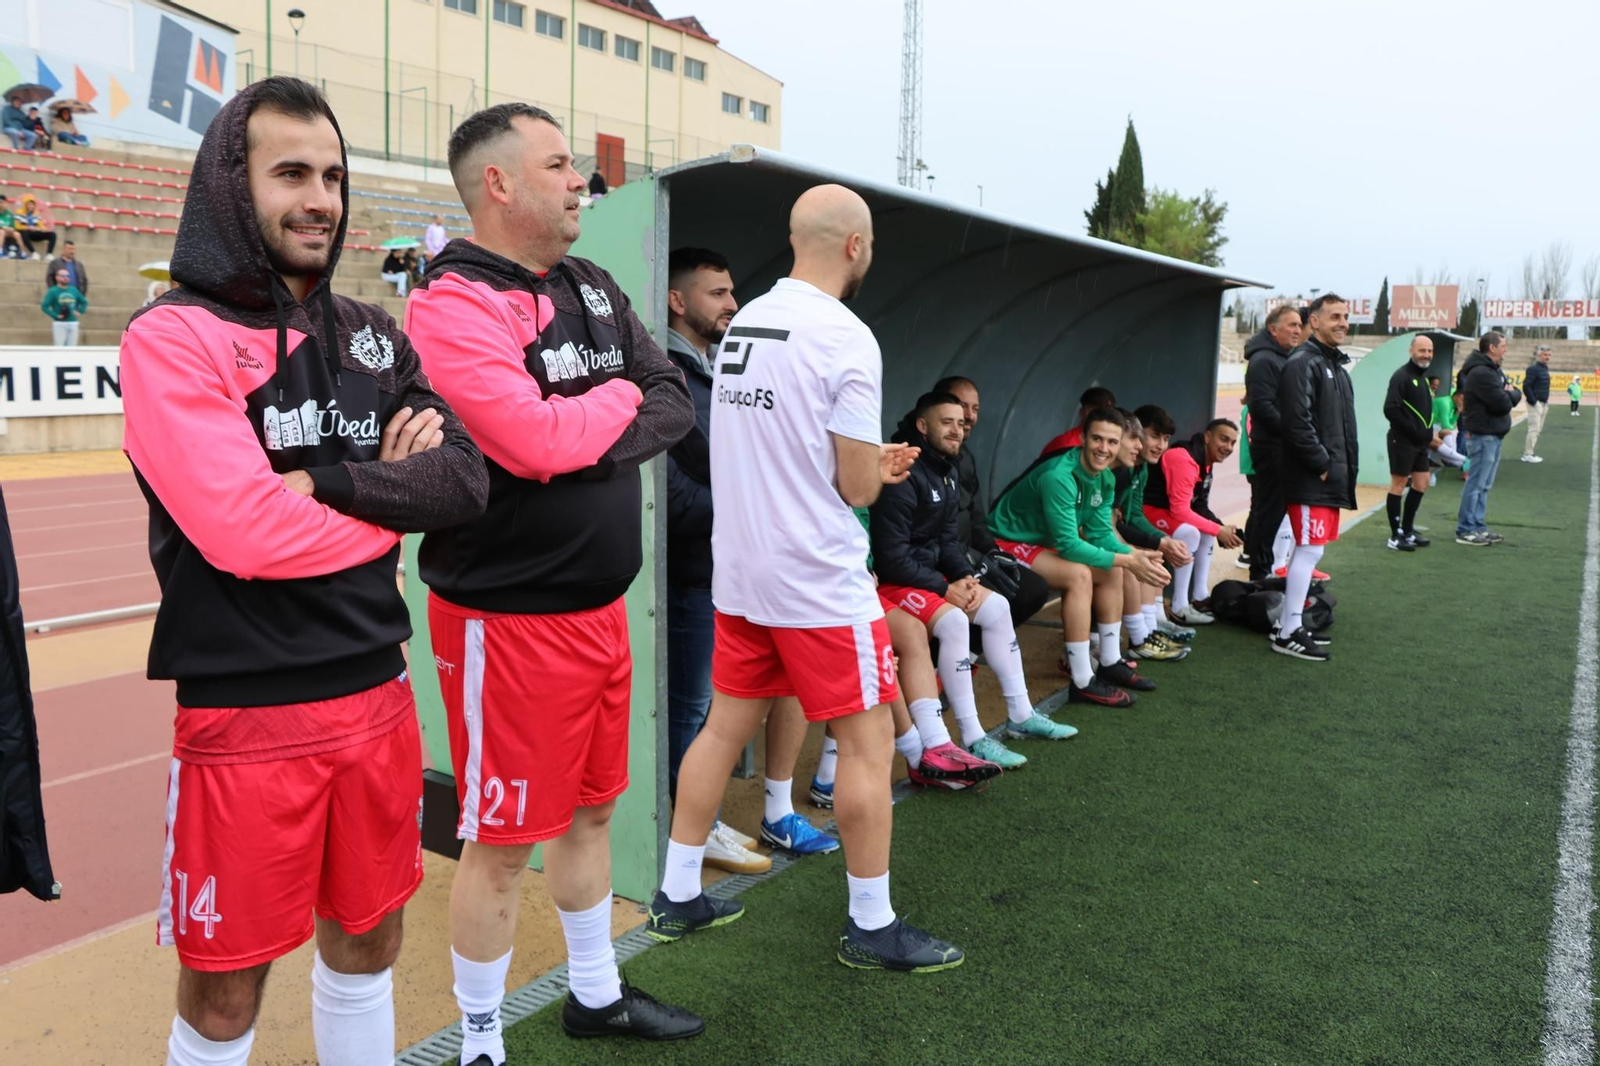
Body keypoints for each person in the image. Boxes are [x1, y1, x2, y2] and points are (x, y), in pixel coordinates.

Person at [120, 77, 489, 1066]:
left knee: (371, 943)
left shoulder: (370, 332)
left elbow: (462, 480)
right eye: (291, 173)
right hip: (246, 711)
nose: (319, 197)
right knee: (226, 989)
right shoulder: (172, 337)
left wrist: (322, 487)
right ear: (230, 187)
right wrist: (387, 509)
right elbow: (244, 533)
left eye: (331, 175)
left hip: (377, 692)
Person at [406, 102, 699, 1056]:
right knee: (500, 843)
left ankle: (595, 994)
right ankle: (481, 1040)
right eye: (560, 165)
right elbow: (530, 444)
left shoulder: (594, 284)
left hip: (600, 610)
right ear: (498, 183)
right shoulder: (451, 302)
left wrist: (580, 429)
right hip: (506, 622)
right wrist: (609, 405)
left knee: (592, 812)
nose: (581, 182)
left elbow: (673, 399)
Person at [646, 182, 966, 975]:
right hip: (818, 579)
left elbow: (778, 443)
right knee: (867, 742)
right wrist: (874, 469)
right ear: (856, 246)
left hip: (742, 569)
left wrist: (860, 461)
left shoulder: (747, 321)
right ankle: (871, 923)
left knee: (723, 726)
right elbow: (854, 487)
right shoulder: (847, 336)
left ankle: (677, 893)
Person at [873, 391, 1076, 772]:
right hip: (893, 582)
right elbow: (891, 559)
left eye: (961, 423)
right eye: (946, 422)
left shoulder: (947, 470)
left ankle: (1021, 715)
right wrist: (944, 587)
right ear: (923, 426)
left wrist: (964, 577)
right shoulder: (904, 474)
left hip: (927, 576)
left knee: (996, 606)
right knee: (954, 621)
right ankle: (973, 738)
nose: (957, 429)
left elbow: (948, 541)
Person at [661, 246, 773, 873]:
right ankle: (691, 830)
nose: (733, 304)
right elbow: (674, 497)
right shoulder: (668, 376)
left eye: (732, 291)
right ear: (677, 300)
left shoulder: (711, 367)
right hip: (691, 572)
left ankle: (700, 821)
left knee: (707, 706)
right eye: (718, 293)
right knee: (690, 707)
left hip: (720, 569)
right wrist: (749, 503)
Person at [989, 406, 1169, 706]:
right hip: (1005, 541)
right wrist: (1130, 559)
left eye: (1112, 442)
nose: (1104, 448)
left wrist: (1136, 555)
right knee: (1079, 575)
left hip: (1042, 544)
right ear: (1083, 438)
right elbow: (1070, 546)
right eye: (1097, 439)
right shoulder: (1059, 476)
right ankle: (1083, 680)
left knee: (1111, 569)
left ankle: (1109, 661)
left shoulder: (1106, 478)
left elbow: (1100, 534)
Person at [932, 374, 1053, 630]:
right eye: (961, 406)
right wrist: (967, 562)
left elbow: (975, 517)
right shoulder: (914, 457)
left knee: (1030, 589)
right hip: (938, 560)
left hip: (964, 553)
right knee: (993, 603)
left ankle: (971, 649)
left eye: (975, 409)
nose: (969, 416)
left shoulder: (964, 456)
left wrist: (991, 551)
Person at [1274, 293, 1356, 661]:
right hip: (1311, 476)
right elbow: (1297, 422)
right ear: (1315, 321)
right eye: (1334, 316)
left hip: (1325, 476)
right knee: (1308, 550)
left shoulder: (1334, 366)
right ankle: (1288, 632)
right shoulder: (1303, 362)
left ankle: (1290, 624)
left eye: (1345, 317)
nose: (1343, 323)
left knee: (1309, 549)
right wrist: (1322, 464)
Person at [1142, 418, 1242, 625]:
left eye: (1233, 443)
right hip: (1147, 510)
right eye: (1224, 439)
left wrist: (1220, 528)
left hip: (1164, 511)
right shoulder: (1184, 458)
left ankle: (1199, 597)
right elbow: (1180, 511)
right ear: (1207, 437)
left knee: (1205, 530)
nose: (1228, 447)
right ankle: (1179, 607)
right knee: (1190, 532)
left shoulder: (1205, 461)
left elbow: (1199, 505)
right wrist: (1218, 530)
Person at [1110, 408, 1191, 661]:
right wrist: (1158, 542)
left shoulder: (1139, 469)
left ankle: (1152, 625)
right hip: (1067, 540)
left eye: (1165, 439)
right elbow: (1104, 524)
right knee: (1135, 558)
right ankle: (1140, 636)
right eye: (1154, 436)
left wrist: (1162, 541)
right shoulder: (1117, 469)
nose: (1160, 445)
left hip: (1102, 532)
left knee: (1151, 552)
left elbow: (1133, 514)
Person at [1242, 304, 1302, 580]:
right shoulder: (1264, 360)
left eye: (1299, 325)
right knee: (1268, 512)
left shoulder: (1280, 357)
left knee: (1273, 511)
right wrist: (1296, 432)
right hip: (1272, 448)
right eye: (1292, 325)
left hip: (1282, 447)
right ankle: (1259, 573)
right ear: (1273, 330)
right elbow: (1262, 407)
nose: (1297, 330)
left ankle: (1264, 569)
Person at [1455, 331, 1521, 546]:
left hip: (1493, 434)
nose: (1506, 349)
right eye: (1503, 346)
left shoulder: (1493, 370)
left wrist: (1509, 394)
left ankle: (1478, 525)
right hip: (1484, 435)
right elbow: (1502, 403)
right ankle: (1466, 529)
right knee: (1476, 484)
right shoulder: (1482, 373)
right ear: (1492, 348)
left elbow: (1513, 393)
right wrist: (1509, 394)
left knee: (1484, 485)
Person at [1381, 335, 1439, 551]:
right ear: (1411, 351)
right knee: (1398, 484)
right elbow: (1390, 409)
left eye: (1430, 351)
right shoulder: (1401, 376)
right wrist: (1413, 430)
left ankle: (1407, 530)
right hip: (1402, 440)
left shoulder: (1423, 379)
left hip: (1419, 443)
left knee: (1422, 482)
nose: (1426, 355)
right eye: (1422, 350)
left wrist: (1426, 434)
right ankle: (1395, 536)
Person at [1039, 385, 1116, 456]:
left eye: (1106, 411)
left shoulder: (1111, 446)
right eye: (1092, 410)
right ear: (1082, 412)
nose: (1100, 416)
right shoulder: (1068, 445)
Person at [1521, 345, 1552, 462]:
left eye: (1549, 355)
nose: (1547, 357)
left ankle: (1530, 452)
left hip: (1544, 403)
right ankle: (1528, 454)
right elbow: (1526, 386)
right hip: (1536, 403)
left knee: (1538, 429)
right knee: (1534, 428)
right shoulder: (1533, 369)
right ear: (1539, 355)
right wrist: (1534, 402)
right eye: (1545, 355)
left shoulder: (1545, 368)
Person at [41, 267, 85, 345]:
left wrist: (80, 311)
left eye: (68, 276)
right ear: (57, 277)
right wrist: (55, 315)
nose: (66, 278)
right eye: (63, 276)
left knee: (72, 347)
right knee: (59, 346)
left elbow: (84, 302)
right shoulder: (53, 291)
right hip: (60, 323)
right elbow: (44, 306)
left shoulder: (73, 290)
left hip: (73, 322)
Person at [1431, 376, 1467, 471]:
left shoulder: (1452, 404)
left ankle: (1458, 460)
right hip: (1429, 426)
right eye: (1462, 399)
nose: (1462, 403)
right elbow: (1446, 425)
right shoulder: (1445, 403)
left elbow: (1450, 423)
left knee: (1450, 432)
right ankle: (1462, 459)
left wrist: (1457, 413)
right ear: (1456, 396)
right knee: (1449, 432)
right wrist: (1451, 428)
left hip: (1435, 426)